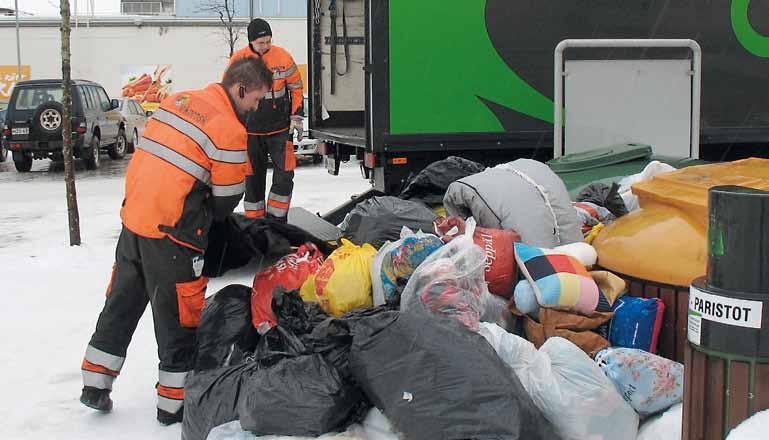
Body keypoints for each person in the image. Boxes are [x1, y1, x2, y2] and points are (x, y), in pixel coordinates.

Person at [79, 58, 273, 425]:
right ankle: (174, 407)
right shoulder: (229, 129)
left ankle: (95, 384)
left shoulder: (180, 101)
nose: (256, 108)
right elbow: (224, 200)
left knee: (121, 303)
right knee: (178, 321)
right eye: (257, 100)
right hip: (172, 235)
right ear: (241, 89)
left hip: (135, 219)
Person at [229, 18, 304, 221]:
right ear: (251, 41)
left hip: (280, 130)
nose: (265, 46)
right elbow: (229, 95)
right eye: (261, 42)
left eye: (268, 41)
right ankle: (255, 224)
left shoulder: (283, 57)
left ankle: (276, 222)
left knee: (285, 175)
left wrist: (296, 117)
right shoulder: (238, 60)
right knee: (252, 180)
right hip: (250, 132)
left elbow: (296, 87)